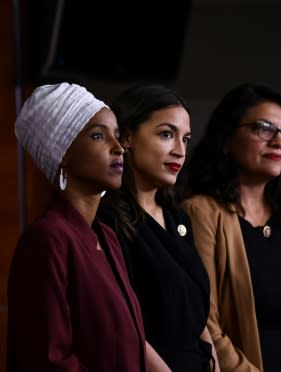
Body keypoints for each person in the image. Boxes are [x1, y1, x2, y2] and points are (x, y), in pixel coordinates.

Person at [8, 82, 170, 371]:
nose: (119, 148)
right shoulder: (47, 240)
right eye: (98, 136)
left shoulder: (106, 235)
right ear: (63, 152)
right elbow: (49, 360)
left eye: (118, 136)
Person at [181, 82, 281, 371]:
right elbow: (203, 321)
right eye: (264, 128)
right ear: (227, 139)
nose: (279, 141)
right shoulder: (201, 213)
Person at [97, 84, 218, 372]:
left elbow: (197, 315)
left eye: (185, 139)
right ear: (126, 138)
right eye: (166, 134)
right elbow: (123, 328)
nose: (179, 150)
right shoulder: (106, 220)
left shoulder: (179, 218)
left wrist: (215, 363)